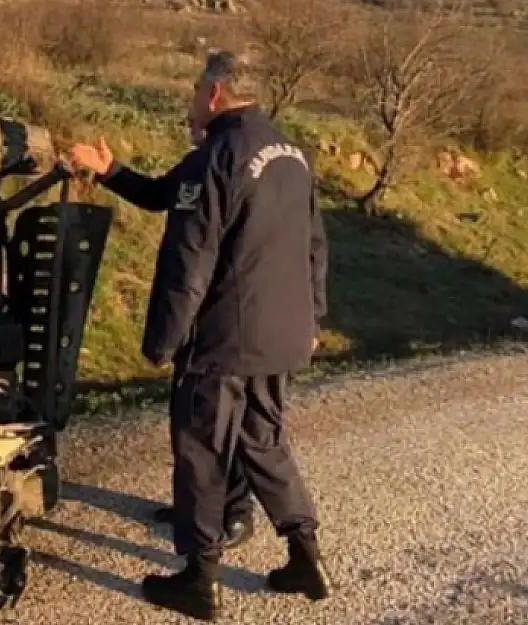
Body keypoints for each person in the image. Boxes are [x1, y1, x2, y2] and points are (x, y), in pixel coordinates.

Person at [68, 51, 331, 620]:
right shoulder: (290, 154)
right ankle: (306, 553)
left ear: (213, 93)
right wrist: (109, 170)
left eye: (194, 90)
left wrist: (163, 341)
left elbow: (190, 264)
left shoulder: (219, 157)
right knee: (263, 442)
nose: (191, 100)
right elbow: (314, 245)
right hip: (282, 333)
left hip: (224, 339)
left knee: (202, 451)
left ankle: (199, 578)